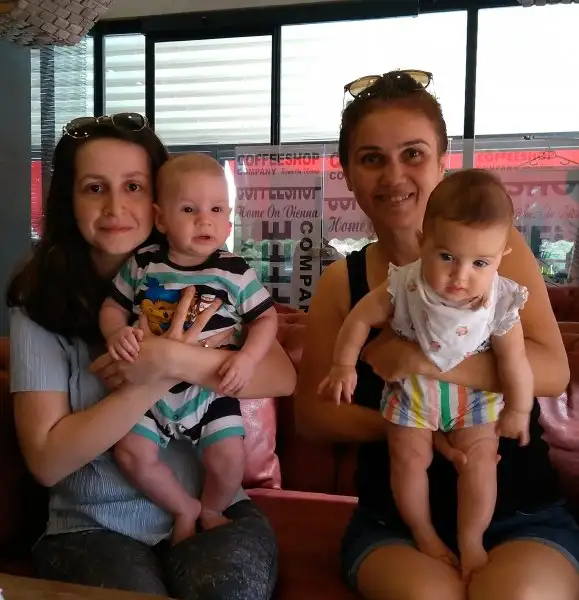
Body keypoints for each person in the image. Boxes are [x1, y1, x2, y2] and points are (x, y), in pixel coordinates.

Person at [295, 71, 579, 600]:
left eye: (413, 154)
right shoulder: (343, 282)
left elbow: (552, 371)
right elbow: (313, 415)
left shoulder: (503, 253)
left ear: (443, 161)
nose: (394, 176)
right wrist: (420, 428)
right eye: (372, 158)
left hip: (520, 510)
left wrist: (421, 362)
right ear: (348, 174)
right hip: (395, 522)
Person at [7, 113, 296, 599]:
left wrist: (170, 358)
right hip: (94, 525)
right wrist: (152, 378)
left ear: (158, 199)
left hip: (215, 506)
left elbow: (281, 376)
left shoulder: (213, 275)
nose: (116, 206)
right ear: (68, 201)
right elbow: (48, 461)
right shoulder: (38, 307)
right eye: (94, 188)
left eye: (133, 186)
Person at [319, 168, 533, 580]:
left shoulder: (500, 300)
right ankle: (423, 532)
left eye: (480, 262)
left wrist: (519, 409)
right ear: (423, 242)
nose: (460, 275)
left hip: (472, 400)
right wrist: (343, 364)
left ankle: (471, 539)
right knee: (408, 458)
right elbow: (360, 319)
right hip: (413, 394)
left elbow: (514, 361)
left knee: (481, 461)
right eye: (446, 256)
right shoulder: (404, 284)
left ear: (501, 256)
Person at [100, 153, 278, 544]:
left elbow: (266, 318)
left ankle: (211, 508)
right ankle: (184, 507)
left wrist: (247, 358)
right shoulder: (143, 263)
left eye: (216, 209)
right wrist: (115, 333)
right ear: (161, 218)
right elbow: (113, 306)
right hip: (148, 391)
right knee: (130, 453)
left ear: (229, 219)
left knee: (230, 457)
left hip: (209, 391)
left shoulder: (234, 270)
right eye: (188, 209)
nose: (204, 220)